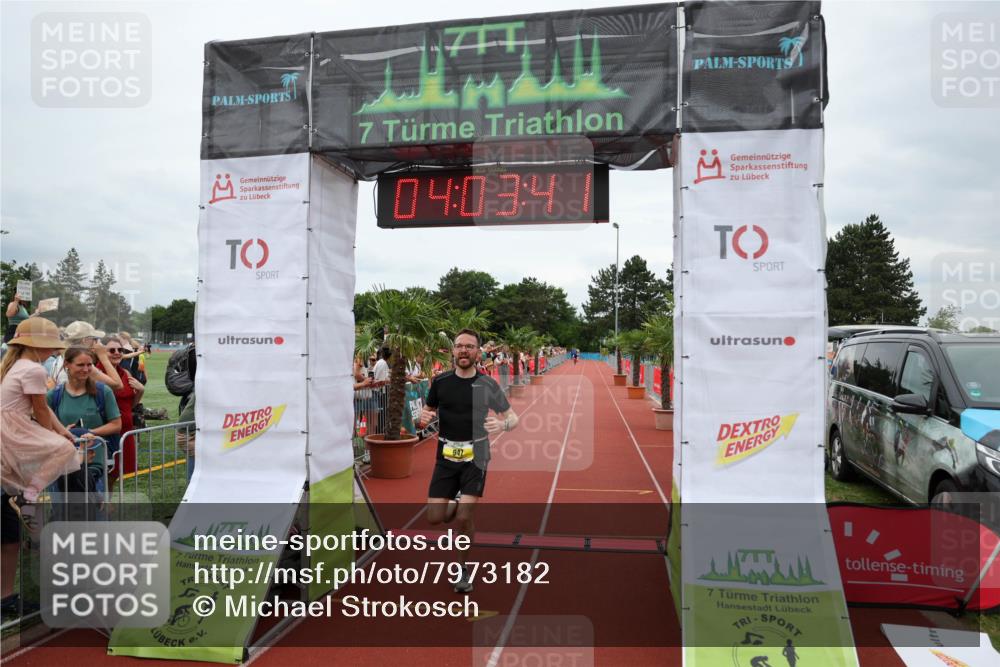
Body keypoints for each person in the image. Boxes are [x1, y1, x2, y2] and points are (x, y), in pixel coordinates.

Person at [417, 329, 518, 593]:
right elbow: (428, 410)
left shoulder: (488, 385)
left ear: (478, 352)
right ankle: (462, 508)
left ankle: (462, 571)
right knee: (434, 518)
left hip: (477, 456)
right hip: (446, 456)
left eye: (469, 347)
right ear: (453, 350)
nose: (464, 350)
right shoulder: (440, 382)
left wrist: (502, 424)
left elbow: (513, 417)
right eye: (459, 346)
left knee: (463, 516)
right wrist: (424, 418)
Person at [0, 317, 81, 518]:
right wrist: (52, 435)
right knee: (64, 449)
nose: (53, 351)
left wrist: (61, 430)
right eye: (50, 347)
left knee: (13, 474)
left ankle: (23, 502)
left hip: (9, 425)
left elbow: (42, 406)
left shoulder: (17, 364)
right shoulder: (34, 369)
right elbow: (40, 409)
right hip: (13, 426)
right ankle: (28, 496)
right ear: (37, 346)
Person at [48, 347, 122, 501]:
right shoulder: (54, 395)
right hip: (62, 465)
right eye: (81, 365)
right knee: (62, 514)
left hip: (94, 466)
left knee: (95, 514)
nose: (86, 369)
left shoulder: (103, 392)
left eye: (90, 365)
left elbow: (116, 424)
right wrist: (61, 431)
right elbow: (44, 428)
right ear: (67, 364)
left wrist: (91, 432)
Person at [96, 335, 145, 479]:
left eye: (120, 349)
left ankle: (108, 501)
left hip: (126, 431)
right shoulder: (96, 372)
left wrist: (141, 391)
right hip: (107, 430)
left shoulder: (125, 373)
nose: (117, 352)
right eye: (112, 350)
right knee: (103, 474)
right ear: (102, 353)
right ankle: (104, 502)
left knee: (114, 475)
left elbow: (130, 405)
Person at [48, 321, 122, 391]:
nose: (96, 342)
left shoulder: (60, 358)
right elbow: (117, 385)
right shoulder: (83, 365)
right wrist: (103, 357)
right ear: (85, 340)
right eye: (95, 339)